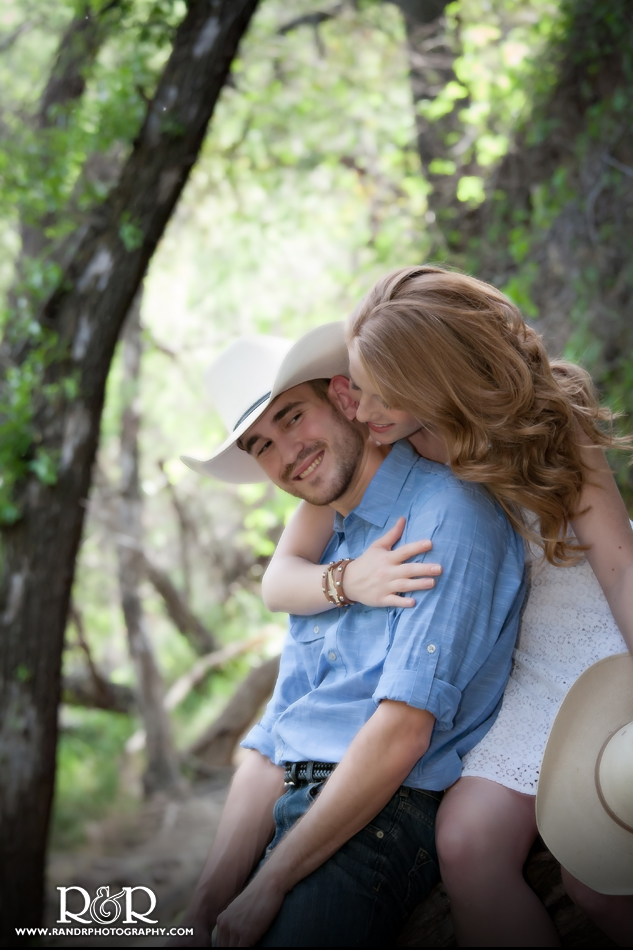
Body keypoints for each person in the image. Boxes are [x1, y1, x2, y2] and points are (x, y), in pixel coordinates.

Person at [262, 265, 633, 946]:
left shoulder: (552, 422)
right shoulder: (394, 435)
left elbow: (616, 568)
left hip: (596, 631)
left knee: (595, 880)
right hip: (518, 665)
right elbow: (279, 575)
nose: (357, 405)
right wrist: (346, 579)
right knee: (465, 843)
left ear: (429, 377)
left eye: (374, 390)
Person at [173, 324, 526, 947]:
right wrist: (208, 899)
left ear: (342, 396)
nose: (285, 453)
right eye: (261, 445)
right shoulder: (323, 554)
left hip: (382, 815)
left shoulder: (446, 516)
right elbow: (275, 735)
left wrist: (270, 883)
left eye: (291, 417)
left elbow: (402, 734)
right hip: (296, 808)